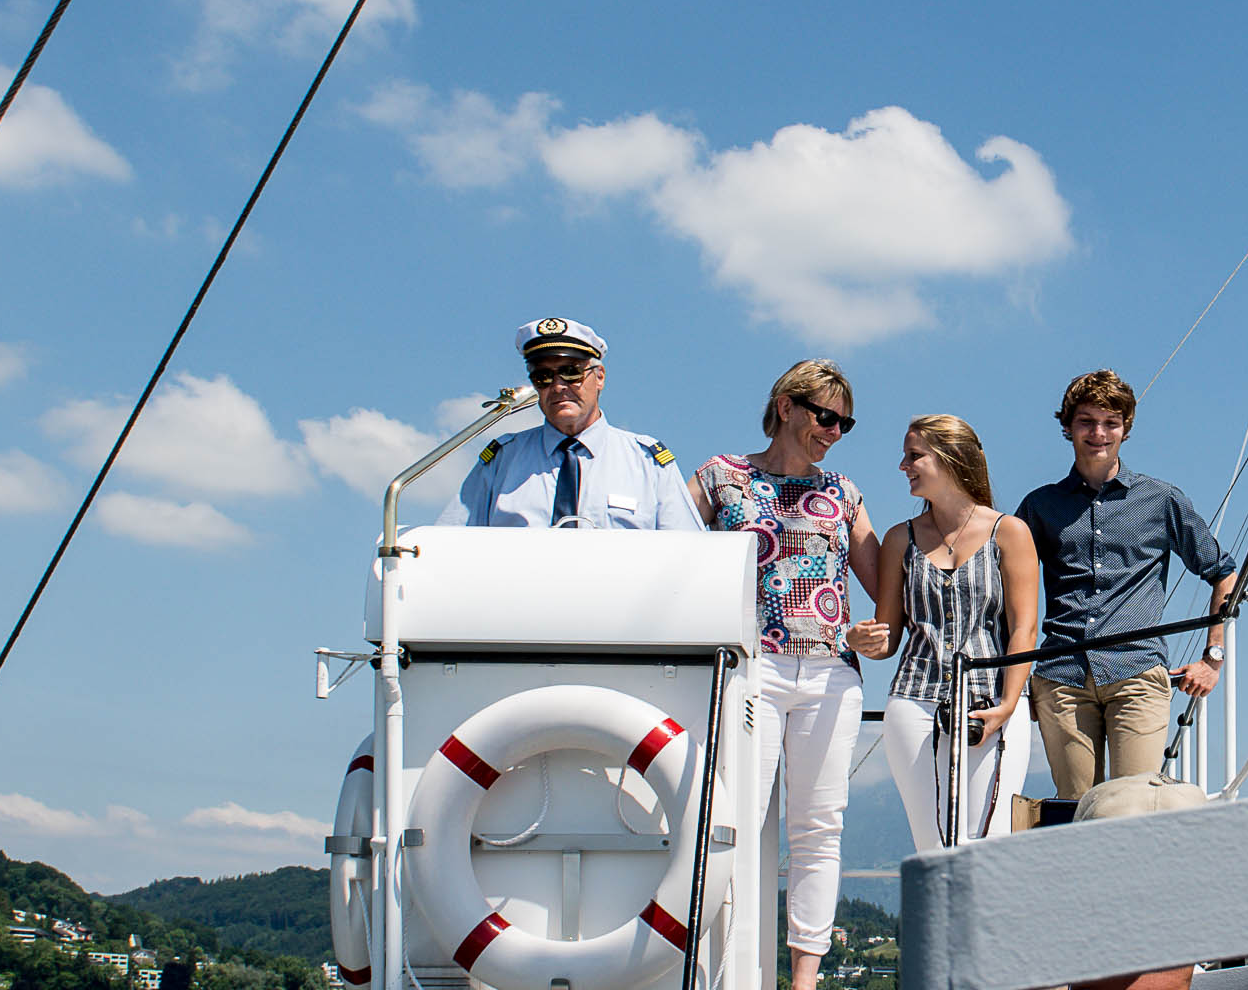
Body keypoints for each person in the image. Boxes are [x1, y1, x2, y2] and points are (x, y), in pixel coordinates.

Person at [688, 360, 881, 990]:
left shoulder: (844, 493)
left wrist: (874, 634)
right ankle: (728, 968)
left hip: (830, 674)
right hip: (751, 669)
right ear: (786, 406)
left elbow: (885, 586)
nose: (835, 431)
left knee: (820, 828)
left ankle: (804, 980)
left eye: (845, 423)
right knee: (735, 819)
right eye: (825, 416)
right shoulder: (721, 477)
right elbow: (669, 553)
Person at [1015, 370, 1238, 801]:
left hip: (1137, 672)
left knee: (1134, 804)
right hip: (1061, 677)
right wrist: (1012, 681)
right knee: (1075, 809)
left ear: (1126, 429)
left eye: (1110, 423)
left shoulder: (1161, 500)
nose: (1098, 433)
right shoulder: (1039, 506)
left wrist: (1213, 658)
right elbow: (1007, 592)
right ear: (1068, 426)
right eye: (1086, 421)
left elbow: (1223, 572)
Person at [850, 416, 1040, 848]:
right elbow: (888, 639)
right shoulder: (900, 539)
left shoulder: (1009, 532)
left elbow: (1024, 628)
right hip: (914, 703)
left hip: (992, 700)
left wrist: (1008, 705)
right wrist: (859, 641)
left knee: (990, 840)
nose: (903, 466)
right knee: (931, 845)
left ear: (951, 458)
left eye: (914, 456)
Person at [440, 317, 700, 529]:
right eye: (543, 377)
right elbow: (448, 544)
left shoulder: (647, 462)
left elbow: (687, 553)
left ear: (600, 377)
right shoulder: (502, 461)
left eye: (571, 372)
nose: (558, 386)